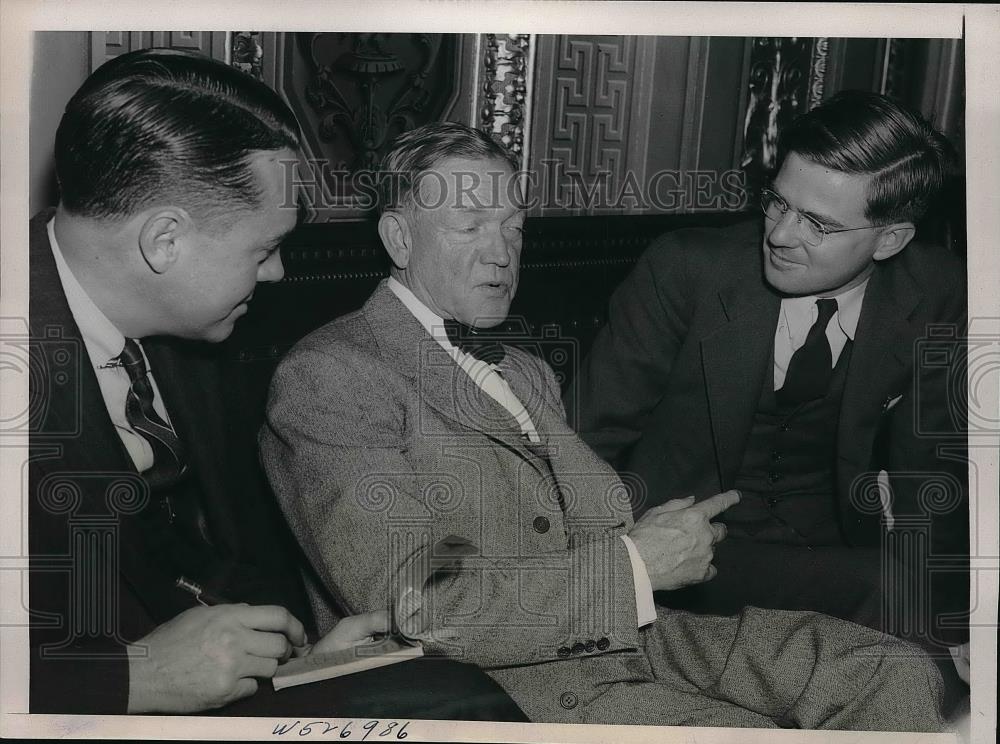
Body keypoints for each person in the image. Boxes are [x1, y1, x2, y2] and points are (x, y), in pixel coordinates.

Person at [261, 120, 950, 730]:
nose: (503, 252)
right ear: (398, 237)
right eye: (470, 226)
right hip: (493, 683)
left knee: (892, 671)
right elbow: (425, 609)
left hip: (629, 637)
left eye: (514, 226)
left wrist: (653, 543)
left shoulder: (524, 370)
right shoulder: (334, 374)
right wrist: (638, 563)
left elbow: (593, 535)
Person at [28, 48, 525, 720]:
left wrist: (295, 664)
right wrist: (127, 678)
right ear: (164, 241)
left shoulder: (188, 340)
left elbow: (207, 566)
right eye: (264, 249)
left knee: (461, 691)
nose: (277, 275)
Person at [566, 91, 969, 683]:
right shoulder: (687, 270)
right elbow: (583, 443)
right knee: (888, 597)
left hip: (837, 555)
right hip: (687, 553)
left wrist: (959, 620)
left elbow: (932, 474)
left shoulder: (939, 292)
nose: (780, 234)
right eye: (778, 202)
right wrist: (603, 573)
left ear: (890, 240)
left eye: (818, 224)